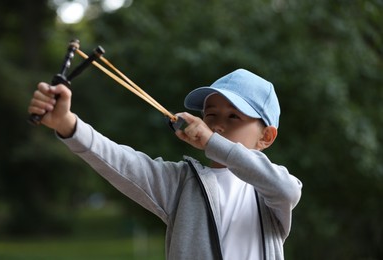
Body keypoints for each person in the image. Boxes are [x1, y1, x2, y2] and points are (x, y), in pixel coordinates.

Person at [28, 68, 302, 260]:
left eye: (233, 117)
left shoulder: (270, 191)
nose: (217, 125)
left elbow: (286, 189)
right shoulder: (182, 183)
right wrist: (67, 125)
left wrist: (211, 142)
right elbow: (121, 161)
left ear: (266, 136)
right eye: (210, 115)